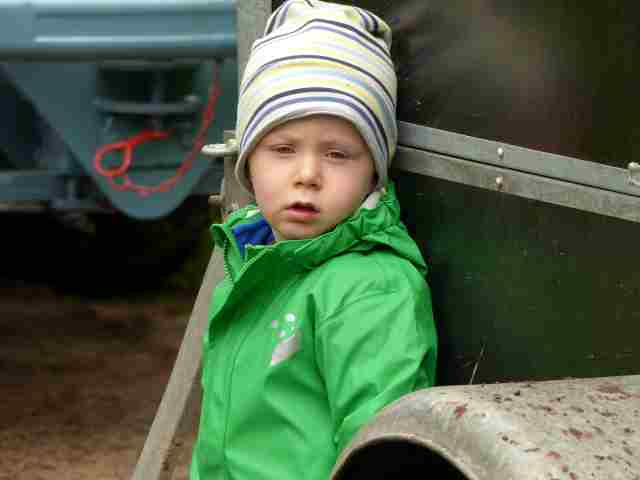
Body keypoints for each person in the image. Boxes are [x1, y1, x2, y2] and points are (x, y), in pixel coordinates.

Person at [190, 1, 437, 479]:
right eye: (283, 149)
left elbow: (380, 455)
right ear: (248, 159)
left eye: (338, 154)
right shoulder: (252, 260)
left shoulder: (369, 290)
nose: (307, 175)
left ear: (374, 172)